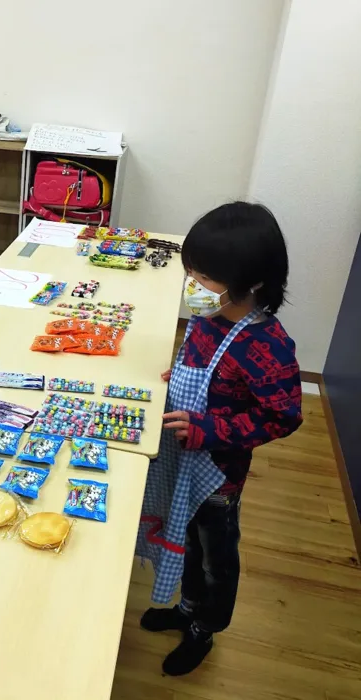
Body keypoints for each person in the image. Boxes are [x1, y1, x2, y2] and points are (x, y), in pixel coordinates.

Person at [136, 202, 302, 675]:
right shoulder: (210, 317)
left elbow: (283, 416)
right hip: (181, 460)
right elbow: (206, 368)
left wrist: (211, 429)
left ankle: (204, 629)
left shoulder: (267, 347)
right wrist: (180, 377)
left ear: (251, 283)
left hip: (218, 478)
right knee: (182, 538)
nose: (194, 286)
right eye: (191, 272)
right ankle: (186, 608)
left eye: (204, 278)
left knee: (216, 559)